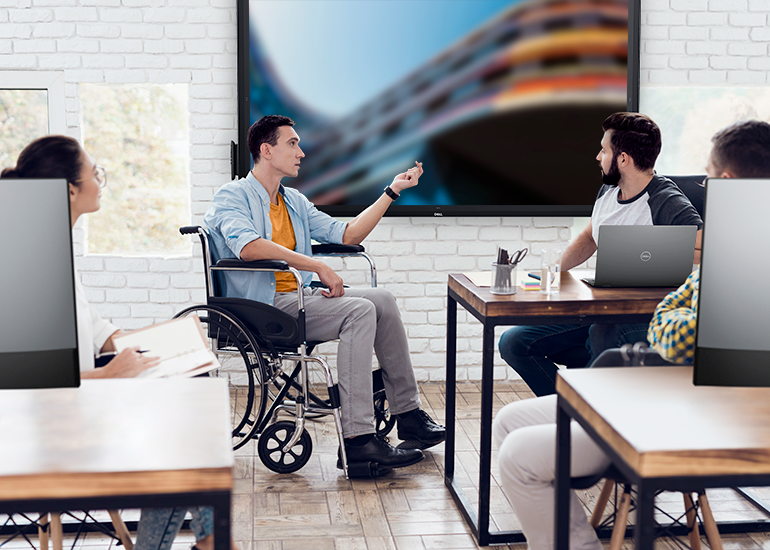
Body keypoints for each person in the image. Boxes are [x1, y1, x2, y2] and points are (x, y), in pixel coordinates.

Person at [492, 119, 770, 550]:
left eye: (709, 179)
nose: (704, 186)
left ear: (729, 182)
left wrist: (672, 311)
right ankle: (587, 411)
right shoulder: (739, 246)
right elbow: (681, 318)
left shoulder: (746, 254)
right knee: (509, 417)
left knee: (519, 453)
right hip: (677, 394)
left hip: (695, 415)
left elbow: (674, 333)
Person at [0, 136, 232, 550]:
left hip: (81, 402)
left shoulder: (52, 252)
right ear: (70, 190)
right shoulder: (22, 265)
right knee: (179, 430)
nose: (100, 182)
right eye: (95, 173)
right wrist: (108, 375)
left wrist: (170, 340)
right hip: (49, 428)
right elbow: (21, 383)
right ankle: (208, 541)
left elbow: (101, 333)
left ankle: (207, 541)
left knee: (190, 390)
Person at [204, 115, 445, 474]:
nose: (301, 152)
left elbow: (348, 235)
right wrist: (316, 265)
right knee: (360, 311)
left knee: (382, 299)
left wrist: (392, 191)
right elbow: (248, 247)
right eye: (292, 143)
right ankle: (358, 441)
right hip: (260, 306)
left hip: (297, 298)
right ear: (266, 150)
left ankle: (408, 416)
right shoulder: (232, 196)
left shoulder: (293, 201)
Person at [498, 112, 703, 397]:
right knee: (514, 342)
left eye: (604, 150)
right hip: (602, 308)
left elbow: (706, 248)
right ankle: (570, 409)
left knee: (601, 334)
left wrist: (651, 248)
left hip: (643, 315)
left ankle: (592, 410)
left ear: (623, 159)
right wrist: (551, 272)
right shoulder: (608, 191)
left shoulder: (665, 199)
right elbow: (588, 238)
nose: (598, 157)